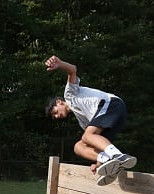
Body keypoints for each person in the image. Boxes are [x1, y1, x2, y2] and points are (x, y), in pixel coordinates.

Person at [45, 55, 136, 186]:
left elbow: (72, 70)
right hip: (117, 116)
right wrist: (98, 163)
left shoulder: (70, 95)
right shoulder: (83, 120)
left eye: (55, 112)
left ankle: (118, 156)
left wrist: (59, 64)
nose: (57, 116)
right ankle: (109, 162)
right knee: (79, 146)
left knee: (87, 136)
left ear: (59, 102)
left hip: (111, 105)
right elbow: (99, 143)